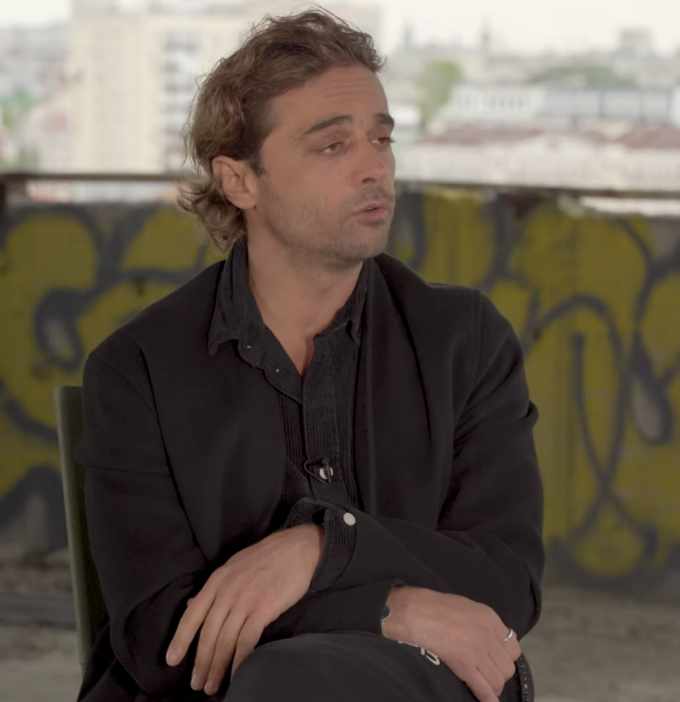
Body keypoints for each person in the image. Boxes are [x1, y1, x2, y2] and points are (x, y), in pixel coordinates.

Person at [75, 8, 544, 702]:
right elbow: (160, 636)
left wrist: (320, 549)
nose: (374, 168)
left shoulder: (465, 341)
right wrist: (387, 608)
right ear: (240, 181)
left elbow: (507, 580)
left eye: (380, 139)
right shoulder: (138, 369)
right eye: (332, 146)